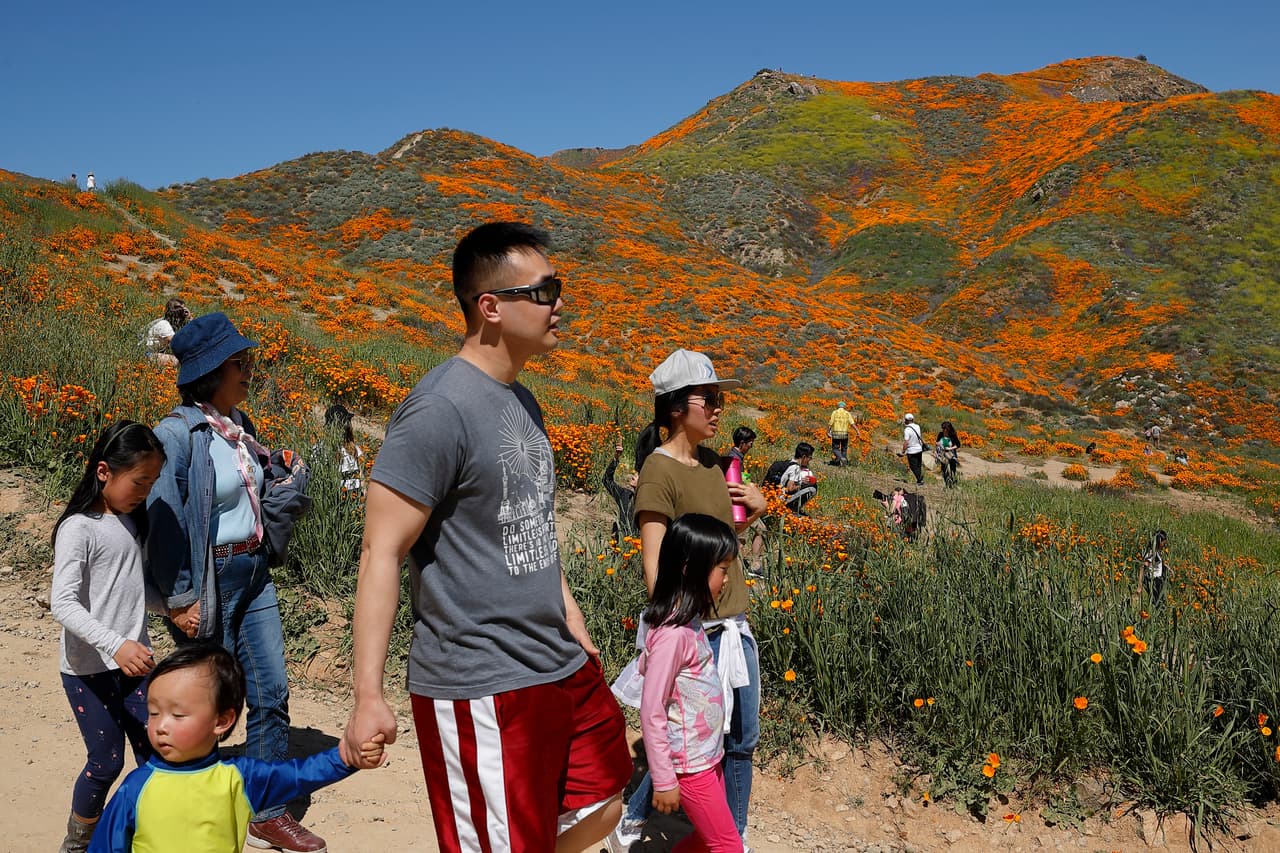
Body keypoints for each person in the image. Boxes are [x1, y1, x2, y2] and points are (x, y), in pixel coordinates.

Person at [340, 222, 632, 853]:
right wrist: (368, 696)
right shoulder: (439, 409)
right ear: (491, 307)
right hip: (482, 678)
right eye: (544, 290)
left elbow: (529, 524)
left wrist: (572, 620)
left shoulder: (521, 399)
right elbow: (380, 551)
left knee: (605, 799)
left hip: (555, 659)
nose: (559, 303)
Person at [146, 312, 323, 852]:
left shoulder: (237, 424)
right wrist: (180, 598)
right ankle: (187, 802)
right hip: (210, 579)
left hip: (254, 571)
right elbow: (163, 519)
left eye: (246, 361)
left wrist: (280, 475)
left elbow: (246, 490)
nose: (248, 370)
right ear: (209, 372)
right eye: (238, 363)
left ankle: (265, 812)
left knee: (271, 691)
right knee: (207, 700)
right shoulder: (177, 435)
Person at [612, 349, 766, 850]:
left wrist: (760, 509)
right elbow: (655, 566)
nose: (719, 409)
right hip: (696, 631)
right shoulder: (659, 471)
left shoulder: (716, 465)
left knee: (740, 739)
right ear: (677, 406)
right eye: (709, 399)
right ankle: (641, 821)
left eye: (720, 399)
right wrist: (676, 635)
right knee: (700, 745)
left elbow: (721, 544)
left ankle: (731, 835)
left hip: (734, 623)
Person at [89, 644, 382, 853]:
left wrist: (347, 757)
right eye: (153, 713)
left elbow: (300, 775)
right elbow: (104, 847)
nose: (160, 725)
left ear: (222, 720)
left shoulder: (240, 779)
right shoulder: (137, 787)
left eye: (177, 715)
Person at [49, 421, 166, 853]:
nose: (145, 492)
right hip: (89, 671)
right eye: (139, 481)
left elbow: (131, 590)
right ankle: (78, 844)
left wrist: (171, 608)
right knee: (105, 762)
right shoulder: (79, 528)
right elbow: (62, 604)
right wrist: (115, 644)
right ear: (104, 472)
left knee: (157, 754)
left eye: (151, 483)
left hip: (135, 664)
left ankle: (147, 835)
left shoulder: (131, 523)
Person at [639, 514, 743, 852]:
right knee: (727, 846)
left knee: (707, 840)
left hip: (705, 758)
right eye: (722, 569)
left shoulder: (689, 622)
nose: (726, 579)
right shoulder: (672, 635)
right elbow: (651, 710)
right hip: (690, 765)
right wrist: (663, 778)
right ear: (690, 569)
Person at [727, 426, 766, 577]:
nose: (751, 446)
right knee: (741, 538)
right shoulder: (734, 459)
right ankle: (737, 572)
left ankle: (753, 565)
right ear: (742, 443)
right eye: (750, 443)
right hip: (740, 505)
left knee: (759, 529)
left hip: (742, 503)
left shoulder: (735, 457)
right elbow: (735, 484)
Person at [322, 403, 365, 493]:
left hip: (356, 496)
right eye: (347, 423)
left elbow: (361, 477)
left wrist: (364, 493)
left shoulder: (354, 448)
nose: (349, 426)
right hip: (339, 496)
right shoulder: (322, 450)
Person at [143, 297, 194, 367]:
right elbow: (177, 343)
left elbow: (194, 332)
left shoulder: (175, 324)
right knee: (182, 361)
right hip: (148, 355)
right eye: (182, 311)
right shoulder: (164, 325)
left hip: (160, 353)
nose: (184, 313)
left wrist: (190, 318)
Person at [603, 442, 639, 539]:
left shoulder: (648, 502)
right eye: (635, 474)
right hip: (622, 544)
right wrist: (616, 458)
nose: (633, 476)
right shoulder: (625, 495)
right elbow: (606, 480)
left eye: (638, 475)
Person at [779, 442, 818, 514]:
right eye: (810, 458)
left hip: (777, 494)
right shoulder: (795, 468)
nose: (810, 460)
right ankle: (792, 509)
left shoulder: (789, 463)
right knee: (812, 488)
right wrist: (802, 483)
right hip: (781, 499)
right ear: (804, 457)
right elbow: (790, 489)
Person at [1142, 530, 1170, 607]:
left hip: (1157, 580)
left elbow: (1158, 562)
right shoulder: (1151, 553)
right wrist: (1140, 586)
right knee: (1157, 601)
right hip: (1153, 581)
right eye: (1163, 543)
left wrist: (1167, 568)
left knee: (1160, 600)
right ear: (1158, 541)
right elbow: (1143, 567)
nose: (1165, 544)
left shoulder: (1157, 551)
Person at [827, 402, 859, 466]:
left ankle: (841, 458)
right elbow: (852, 423)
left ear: (838, 406)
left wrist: (828, 431)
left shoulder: (835, 412)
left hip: (836, 434)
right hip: (845, 434)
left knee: (835, 448)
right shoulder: (847, 413)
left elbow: (830, 423)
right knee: (844, 449)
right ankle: (843, 464)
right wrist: (857, 431)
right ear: (844, 407)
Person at [901, 413, 925, 485]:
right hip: (919, 449)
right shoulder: (917, 426)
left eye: (905, 420)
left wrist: (903, 451)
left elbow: (906, 442)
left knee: (913, 466)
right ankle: (919, 480)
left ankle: (919, 480)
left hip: (912, 451)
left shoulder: (907, 430)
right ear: (912, 419)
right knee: (918, 465)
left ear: (906, 420)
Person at [935, 421, 960, 488]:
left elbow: (958, 445)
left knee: (952, 470)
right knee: (944, 469)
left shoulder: (953, 435)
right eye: (942, 428)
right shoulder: (940, 434)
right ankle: (946, 483)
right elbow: (937, 442)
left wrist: (950, 448)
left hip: (951, 455)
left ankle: (952, 484)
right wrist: (939, 445)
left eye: (944, 429)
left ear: (948, 429)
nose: (943, 430)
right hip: (943, 455)